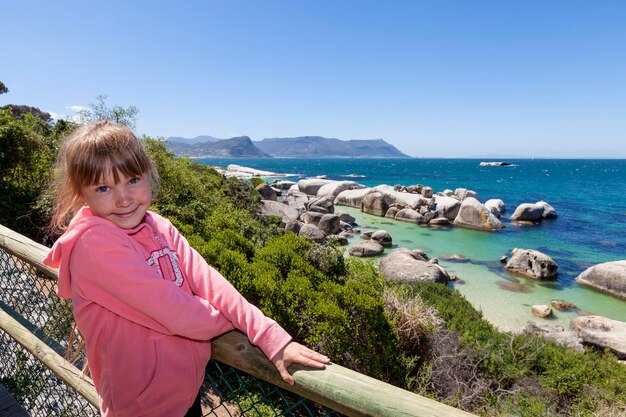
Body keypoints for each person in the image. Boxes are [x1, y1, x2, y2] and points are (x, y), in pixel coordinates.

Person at [43, 120, 330, 417]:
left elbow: (208, 281)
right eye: (104, 187)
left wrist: (268, 335)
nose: (124, 198)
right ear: (81, 194)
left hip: (185, 394)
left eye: (132, 180)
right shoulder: (94, 244)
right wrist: (232, 320)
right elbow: (179, 315)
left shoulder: (159, 226)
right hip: (140, 407)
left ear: (148, 176)